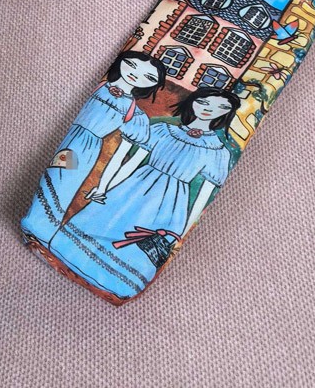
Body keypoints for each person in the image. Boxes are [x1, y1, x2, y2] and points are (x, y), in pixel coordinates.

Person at [47, 87, 240, 300]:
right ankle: (66, 254)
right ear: (193, 102)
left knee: (135, 248)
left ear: (226, 113)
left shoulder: (218, 151)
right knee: (105, 221)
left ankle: (114, 283)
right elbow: (132, 163)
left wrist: (181, 231)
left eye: (221, 107)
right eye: (204, 102)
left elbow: (204, 197)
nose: (209, 109)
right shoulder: (162, 130)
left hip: (170, 202)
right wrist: (104, 188)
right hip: (134, 186)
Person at [20, 51, 166, 249]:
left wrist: (103, 186)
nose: (135, 74)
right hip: (72, 137)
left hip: (85, 150)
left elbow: (120, 155)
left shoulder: (134, 113)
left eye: (148, 77)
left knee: (64, 183)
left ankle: (43, 229)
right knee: (53, 178)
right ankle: (37, 225)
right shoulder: (99, 86)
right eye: (131, 65)